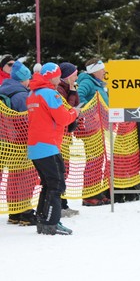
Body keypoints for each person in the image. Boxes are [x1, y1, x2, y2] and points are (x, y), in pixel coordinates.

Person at [26, 62, 80, 235]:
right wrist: (75, 112)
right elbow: (63, 118)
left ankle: (44, 220)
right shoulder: (50, 94)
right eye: (58, 75)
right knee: (56, 185)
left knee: (48, 184)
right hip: (48, 146)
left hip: (36, 146)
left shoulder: (33, 93)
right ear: (53, 76)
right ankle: (51, 222)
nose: (59, 78)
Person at [0, 60, 37, 225]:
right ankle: (25, 212)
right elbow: (28, 120)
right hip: (18, 141)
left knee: (11, 177)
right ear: (25, 78)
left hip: (4, 140)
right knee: (23, 176)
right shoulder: (22, 95)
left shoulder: (3, 90)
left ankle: (13, 212)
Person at [77, 58, 110, 206]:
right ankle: (89, 194)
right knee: (93, 160)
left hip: (99, 127)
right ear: (94, 70)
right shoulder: (87, 82)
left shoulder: (97, 84)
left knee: (99, 160)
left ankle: (97, 191)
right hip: (91, 128)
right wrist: (90, 113)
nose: (104, 72)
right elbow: (79, 97)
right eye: (102, 69)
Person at [57, 62, 80, 217]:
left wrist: (73, 91)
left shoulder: (70, 87)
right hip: (60, 135)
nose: (76, 77)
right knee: (59, 171)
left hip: (65, 135)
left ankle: (63, 203)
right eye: (74, 74)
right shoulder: (59, 89)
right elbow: (67, 108)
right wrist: (71, 92)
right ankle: (59, 204)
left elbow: (75, 105)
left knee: (65, 170)